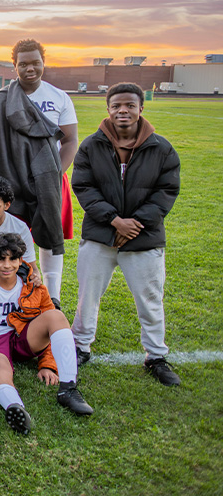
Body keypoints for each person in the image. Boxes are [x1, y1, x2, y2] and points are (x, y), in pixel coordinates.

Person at [71, 82, 181, 386]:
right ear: (108, 108)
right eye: (117, 105)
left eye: (130, 105)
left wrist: (133, 224)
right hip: (100, 235)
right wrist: (114, 221)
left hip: (144, 237)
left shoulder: (161, 148)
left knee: (150, 299)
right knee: (87, 296)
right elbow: (83, 187)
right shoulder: (91, 146)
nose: (123, 110)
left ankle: (155, 356)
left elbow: (166, 191)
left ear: (140, 109)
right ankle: (80, 347)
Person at [0, 233, 93, 435]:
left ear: (21, 260)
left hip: (21, 337)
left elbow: (51, 330)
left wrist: (47, 364)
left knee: (55, 316)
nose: (7, 265)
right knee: (0, 367)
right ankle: (15, 407)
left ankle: (68, 388)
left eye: (12, 259)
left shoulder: (33, 286)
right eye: (0, 259)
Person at [0, 40, 79, 308]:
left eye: (35, 62)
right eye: (23, 64)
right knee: (10, 238)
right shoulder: (1, 100)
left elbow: (70, 140)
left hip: (50, 178)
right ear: (15, 66)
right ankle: (13, 296)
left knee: (49, 235)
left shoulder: (59, 97)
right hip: (12, 179)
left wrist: (53, 174)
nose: (30, 68)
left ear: (44, 62)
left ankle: (52, 296)